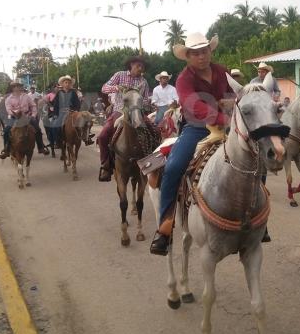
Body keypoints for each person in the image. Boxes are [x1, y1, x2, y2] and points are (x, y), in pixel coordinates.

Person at [150, 32, 234, 255]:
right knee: (174, 167)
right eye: (195, 53)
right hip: (197, 129)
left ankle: (257, 218)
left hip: (228, 126)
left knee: (255, 154)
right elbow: (193, 105)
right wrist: (222, 116)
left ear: (210, 51)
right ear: (188, 56)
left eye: (204, 51)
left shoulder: (222, 71)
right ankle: (165, 228)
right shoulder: (183, 78)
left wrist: (232, 101)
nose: (201, 56)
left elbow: (237, 94)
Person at [97, 56, 150, 181]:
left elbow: (147, 99)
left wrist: (145, 104)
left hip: (138, 111)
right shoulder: (119, 75)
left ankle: (152, 165)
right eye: (138, 65)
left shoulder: (144, 82)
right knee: (103, 136)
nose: (140, 68)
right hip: (120, 111)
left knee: (154, 133)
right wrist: (117, 88)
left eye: (142, 66)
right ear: (131, 65)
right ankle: (105, 165)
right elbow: (104, 88)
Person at [0, 82, 49, 158]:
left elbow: (33, 106)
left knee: (37, 129)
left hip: (27, 116)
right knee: (6, 131)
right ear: (12, 88)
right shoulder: (8, 99)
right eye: (15, 86)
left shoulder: (26, 96)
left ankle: (41, 147)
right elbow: (8, 109)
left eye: (18, 86)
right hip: (14, 117)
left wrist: (33, 115)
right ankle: (6, 149)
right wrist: (15, 113)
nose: (17, 88)